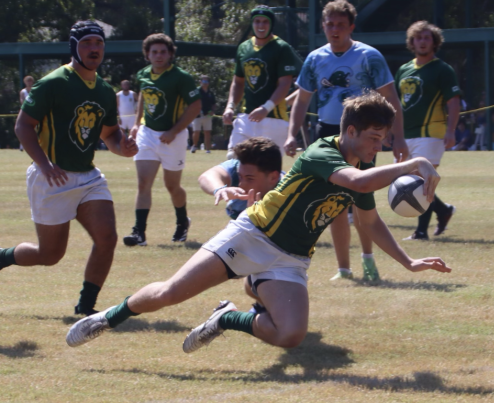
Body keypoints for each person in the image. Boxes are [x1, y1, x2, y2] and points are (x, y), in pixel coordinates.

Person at [66, 91, 450, 352]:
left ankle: (227, 318)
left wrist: (407, 262)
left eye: (382, 140)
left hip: (291, 259)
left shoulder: (365, 163)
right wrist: (415, 162)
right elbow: (357, 183)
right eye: (373, 138)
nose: (377, 147)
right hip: (253, 235)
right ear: (349, 131)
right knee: (170, 294)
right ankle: (107, 318)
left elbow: (369, 221)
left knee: (291, 336)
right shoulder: (322, 152)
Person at [0, 20, 138, 316]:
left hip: (88, 177)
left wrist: (124, 147)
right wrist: (44, 164)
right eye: (87, 43)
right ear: (74, 47)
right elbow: (23, 125)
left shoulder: (104, 90)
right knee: (49, 255)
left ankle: (85, 309)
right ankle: (2, 257)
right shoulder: (53, 82)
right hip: (51, 177)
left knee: (108, 238)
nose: (94, 49)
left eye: (99, 44)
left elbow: (110, 135)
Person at [283, 0, 409, 282]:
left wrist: (398, 138)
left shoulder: (369, 56)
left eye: (341, 24)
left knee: (361, 201)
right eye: (330, 24)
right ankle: (343, 269)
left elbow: (391, 99)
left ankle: (368, 260)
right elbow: (302, 100)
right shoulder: (315, 58)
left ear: (351, 26)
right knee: (332, 202)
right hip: (328, 132)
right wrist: (292, 133)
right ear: (323, 27)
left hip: (363, 136)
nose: (334, 29)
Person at [122, 33, 202, 247]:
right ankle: (139, 233)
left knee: (172, 186)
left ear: (170, 54)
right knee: (143, 183)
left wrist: (174, 131)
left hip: (172, 137)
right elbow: (142, 98)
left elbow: (195, 106)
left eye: (163, 52)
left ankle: (182, 222)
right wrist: (138, 123)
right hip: (148, 134)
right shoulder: (143, 74)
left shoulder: (181, 77)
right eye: (154, 51)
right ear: (147, 54)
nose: (158, 55)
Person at [395, 20, 460, 240]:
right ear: (412, 42)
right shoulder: (404, 69)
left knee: (421, 180)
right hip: (406, 134)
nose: (422, 41)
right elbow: (395, 104)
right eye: (418, 37)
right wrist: (391, 133)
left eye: (427, 37)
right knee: (410, 181)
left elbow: (453, 101)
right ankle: (443, 210)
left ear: (434, 42)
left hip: (431, 133)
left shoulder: (442, 69)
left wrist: (451, 131)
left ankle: (421, 231)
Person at [222, 5, 302, 159]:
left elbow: (285, 84)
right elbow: (238, 82)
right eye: (257, 21)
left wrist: (266, 108)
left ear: (271, 24)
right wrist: (230, 106)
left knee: (267, 171)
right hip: (246, 116)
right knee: (233, 159)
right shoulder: (244, 48)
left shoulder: (281, 48)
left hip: (274, 119)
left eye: (265, 22)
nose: (260, 25)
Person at [198, 137, 283, 220]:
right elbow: (206, 177)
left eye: (250, 179)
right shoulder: (239, 167)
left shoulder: (288, 194)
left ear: (273, 177)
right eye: (240, 177)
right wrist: (220, 189)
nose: (241, 185)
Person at [191, 75, 217, 154]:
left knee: (207, 132)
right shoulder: (196, 91)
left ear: (208, 83)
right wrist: (196, 110)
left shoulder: (210, 92)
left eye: (207, 81)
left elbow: (213, 103)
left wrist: (212, 111)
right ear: (200, 82)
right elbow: (192, 101)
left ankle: (208, 149)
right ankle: (195, 146)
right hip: (197, 115)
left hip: (207, 115)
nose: (205, 83)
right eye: (203, 81)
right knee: (197, 131)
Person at [18, 76, 36, 151]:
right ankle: (22, 146)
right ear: (25, 82)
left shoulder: (35, 90)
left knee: (35, 130)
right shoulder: (23, 92)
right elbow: (22, 102)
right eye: (27, 81)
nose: (29, 83)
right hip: (26, 112)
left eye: (30, 81)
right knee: (24, 129)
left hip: (35, 112)